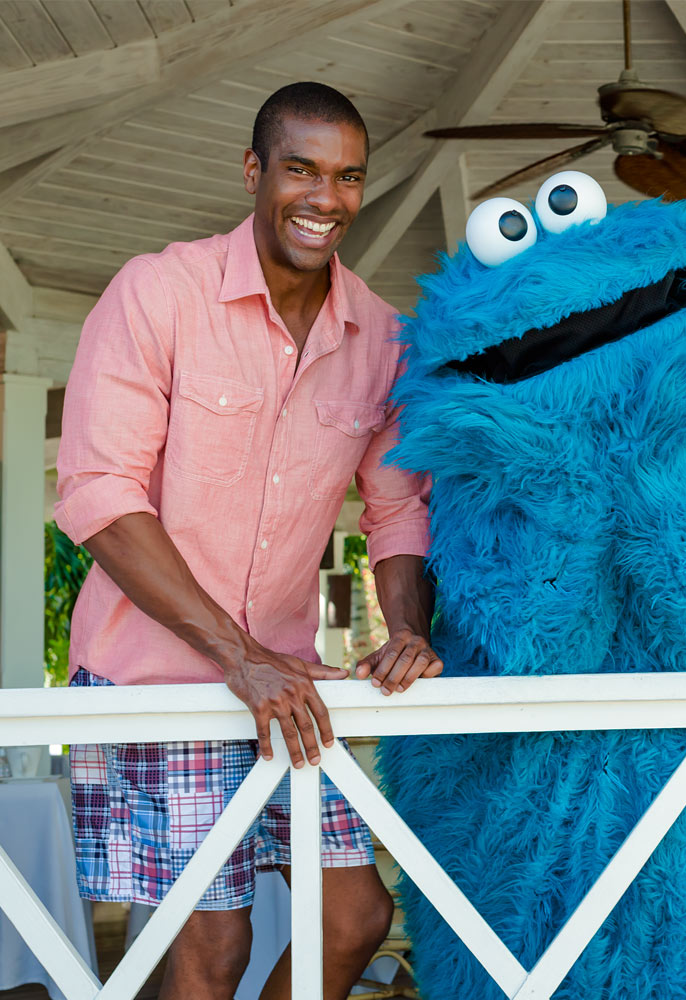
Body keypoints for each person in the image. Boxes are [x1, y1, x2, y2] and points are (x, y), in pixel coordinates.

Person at [54, 82, 441, 1000]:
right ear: (253, 170)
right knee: (213, 947)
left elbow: (397, 509)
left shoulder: (382, 338)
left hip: (284, 685)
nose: (326, 198)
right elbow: (99, 495)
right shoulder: (160, 291)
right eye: (301, 169)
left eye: (348, 177)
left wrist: (406, 630)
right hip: (158, 679)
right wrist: (238, 656)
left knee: (354, 919)